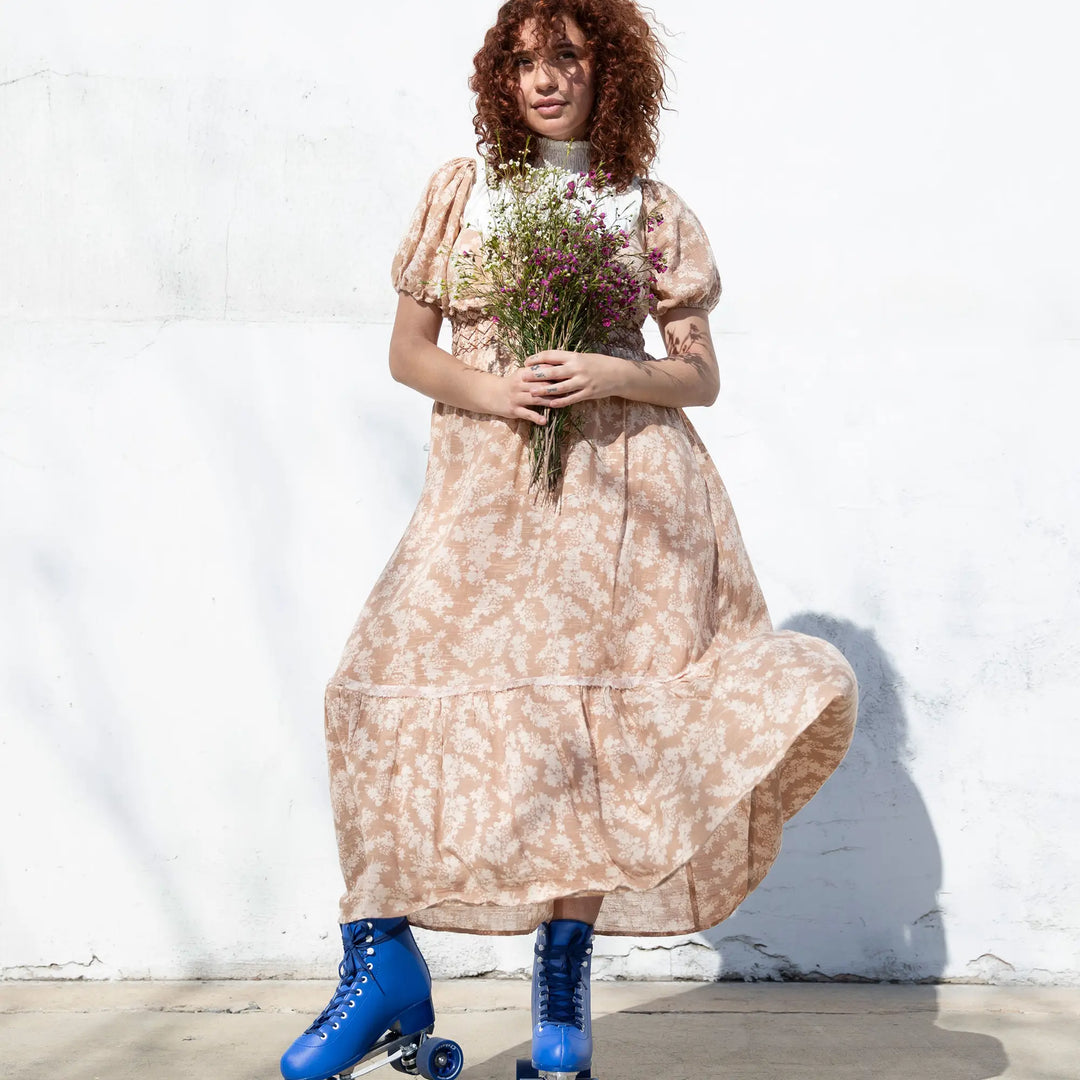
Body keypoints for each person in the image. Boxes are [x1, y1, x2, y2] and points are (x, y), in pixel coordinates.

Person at [280, 2, 859, 1079]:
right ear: (500, 77)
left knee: (582, 728)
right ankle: (383, 962)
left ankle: (561, 982)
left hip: (622, 496)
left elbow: (700, 376)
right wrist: (494, 391)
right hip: (482, 487)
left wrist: (609, 370)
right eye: (526, 61)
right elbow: (411, 352)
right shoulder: (462, 193)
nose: (545, 80)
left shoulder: (648, 208)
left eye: (569, 59)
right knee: (367, 687)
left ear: (612, 75)